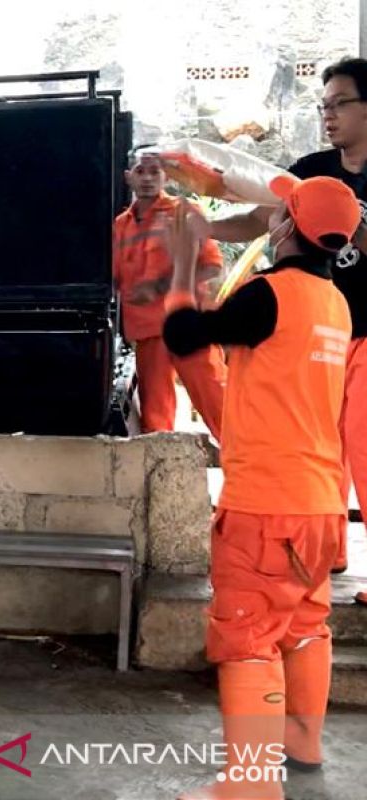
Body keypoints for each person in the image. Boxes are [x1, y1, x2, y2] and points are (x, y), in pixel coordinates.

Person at [162, 176, 359, 799]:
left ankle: (248, 785)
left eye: (277, 215)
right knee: (303, 626)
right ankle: (302, 743)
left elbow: (183, 337)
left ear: (287, 228)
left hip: (265, 506)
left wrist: (184, 261)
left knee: (246, 634)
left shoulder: (270, 295)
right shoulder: (336, 303)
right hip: (323, 505)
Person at [207, 57, 367, 573]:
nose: (329, 114)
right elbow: (260, 219)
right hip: (316, 333)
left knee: (363, 443)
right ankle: (330, 551)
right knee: (320, 442)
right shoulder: (310, 170)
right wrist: (202, 228)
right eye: (324, 105)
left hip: (366, 335)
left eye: (340, 103)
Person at [113, 149, 227, 438]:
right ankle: (162, 479)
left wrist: (161, 286)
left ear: (166, 175)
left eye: (154, 171)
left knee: (221, 408)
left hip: (190, 328)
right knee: (155, 423)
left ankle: (252, 469)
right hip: (149, 337)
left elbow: (212, 268)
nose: (148, 178)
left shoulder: (184, 214)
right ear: (128, 177)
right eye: (141, 171)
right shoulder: (118, 228)